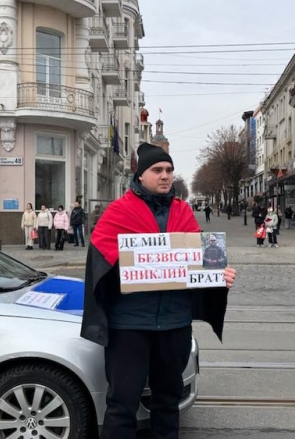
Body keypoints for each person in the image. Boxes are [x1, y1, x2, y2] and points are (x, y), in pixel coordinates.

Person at [81, 142, 236, 439]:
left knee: (167, 403)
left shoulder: (183, 212)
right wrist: (126, 264)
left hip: (174, 324)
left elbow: (201, 262)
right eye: (157, 170)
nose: (165, 176)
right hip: (129, 326)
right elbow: (100, 266)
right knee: (121, 404)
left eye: (169, 170)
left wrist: (219, 275)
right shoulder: (118, 212)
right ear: (141, 175)